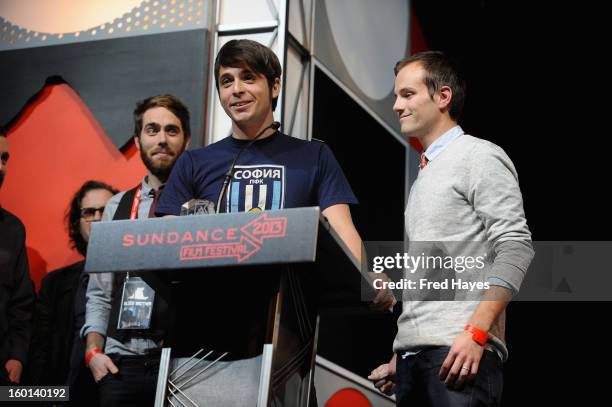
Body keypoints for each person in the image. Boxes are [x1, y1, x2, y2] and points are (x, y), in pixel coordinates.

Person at [155, 39, 393, 405]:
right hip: (202, 342)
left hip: (285, 341)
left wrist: (366, 276)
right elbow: (163, 240)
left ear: (275, 86)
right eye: (226, 80)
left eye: (248, 78)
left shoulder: (313, 155)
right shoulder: (194, 163)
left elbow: (342, 229)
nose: (236, 90)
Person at [367, 51, 534, 406]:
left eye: (407, 94)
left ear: (443, 97)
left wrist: (476, 333)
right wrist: (406, 351)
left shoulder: (479, 156)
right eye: (397, 95)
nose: (397, 105)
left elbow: (516, 246)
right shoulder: (425, 176)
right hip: (416, 364)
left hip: (461, 357)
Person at [81, 95, 190, 406]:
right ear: (138, 139)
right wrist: (93, 353)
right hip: (119, 364)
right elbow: (99, 291)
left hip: (179, 363)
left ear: (186, 139)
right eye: (152, 130)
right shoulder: (117, 207)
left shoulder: (202, 206)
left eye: (172, 130)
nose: (162, 139)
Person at [27, 180, 117, 405]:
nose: (97, 218)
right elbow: (40, 349)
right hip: (61, 394)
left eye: (105, 210)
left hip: (112, 391)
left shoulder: (134, 278)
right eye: (89, 212)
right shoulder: (54, 284)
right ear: (78, 222)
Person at [0, 128, 35, 385]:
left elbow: (21, 302)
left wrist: (17, 355)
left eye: (3, 158)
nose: (0, 166)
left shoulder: (12, 229)